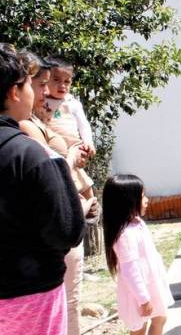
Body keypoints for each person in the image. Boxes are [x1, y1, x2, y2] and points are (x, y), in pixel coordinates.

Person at [0, 43, 85, 335]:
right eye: (30, 84)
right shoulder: (31, 154)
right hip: (30, 296)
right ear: (14, 91)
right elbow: (67, 231)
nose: (44, 93)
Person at [17, 50, 97, 335]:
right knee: (67, 301)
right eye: (39, 85)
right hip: (55, 237)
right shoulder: (26, 128)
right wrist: (71, 161)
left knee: (69, 300)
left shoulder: (43, 117)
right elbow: (51, 171)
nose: (45, 92)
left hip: (71, 205)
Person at [103, 174, 173, 335]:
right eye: (142, 196)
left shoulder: (137, 223)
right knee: (139, 329)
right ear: (127, 201)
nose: (147, 200)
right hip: (139, 292)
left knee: (160, 318)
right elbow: (130, 270)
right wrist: (143, 299)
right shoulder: (125, 234)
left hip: (150, 284)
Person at [44, 57, 96, 199]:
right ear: (45, 78)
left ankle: (92, 213)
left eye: (67, 81)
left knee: (86, 189)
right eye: (56, 80)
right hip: (54, 153)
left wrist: (88, 142)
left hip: (74, 149)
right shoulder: (41, 101)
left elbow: (83, 125)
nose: (62, 85)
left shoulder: (72, 102)